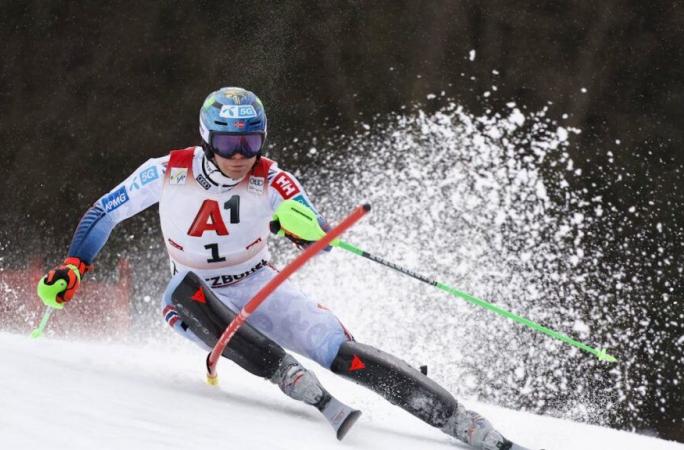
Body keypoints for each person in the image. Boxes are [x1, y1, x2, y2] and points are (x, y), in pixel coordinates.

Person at [39, 87, 534, 449]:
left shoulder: (271, 177)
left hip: (262, 284)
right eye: (230, 145)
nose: (240, 157)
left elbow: (316, 236)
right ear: (208, 139)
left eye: (251, 143)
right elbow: (105, 211)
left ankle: (464, 423)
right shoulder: (168, 170)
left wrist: (303, 231)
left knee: (341, 352)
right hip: (197, 296)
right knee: (180, 291)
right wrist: (75, 268)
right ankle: (290, 377)